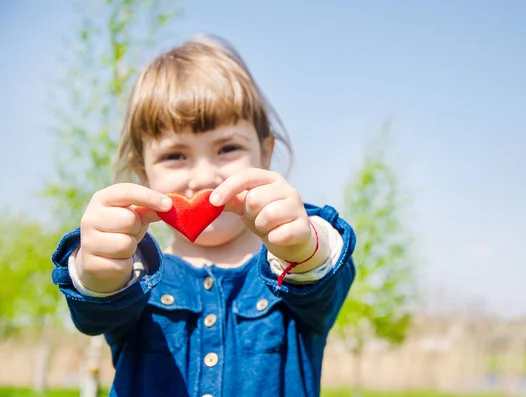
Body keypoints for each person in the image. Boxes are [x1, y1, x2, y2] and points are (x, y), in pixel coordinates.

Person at [51, 34, 356, 397]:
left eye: (227, 148)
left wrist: (306, 246)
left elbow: (327, 276)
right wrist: (95, 270)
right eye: (175, 156)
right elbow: (94, 314)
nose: (203, 177)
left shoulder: (292, 273)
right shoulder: (134, 276)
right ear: (143, 171)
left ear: (266, 153)